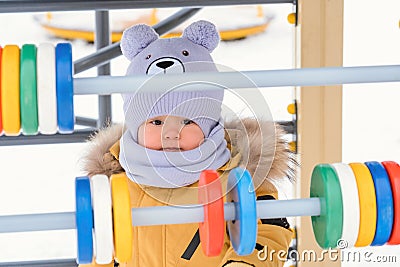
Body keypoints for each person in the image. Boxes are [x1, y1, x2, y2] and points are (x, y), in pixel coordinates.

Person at [80, 20, 295, 267]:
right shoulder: (115, 181)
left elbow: (272, 230)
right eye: (157, 122)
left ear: (210, 125)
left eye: (187, 121)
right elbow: (102, 244)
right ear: (136, 126)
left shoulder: (240, 175)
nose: (171, 134)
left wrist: (245, 263)